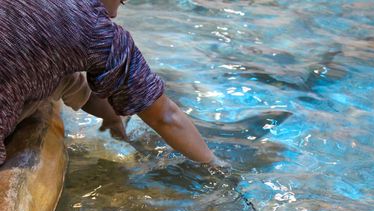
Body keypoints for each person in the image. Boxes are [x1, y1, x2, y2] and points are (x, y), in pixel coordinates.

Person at [0, 0, 221, 167]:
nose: (114, 14)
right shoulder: (93, 28)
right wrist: (214, 165)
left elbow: (66, 80)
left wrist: (112, 117)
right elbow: (166, 117)